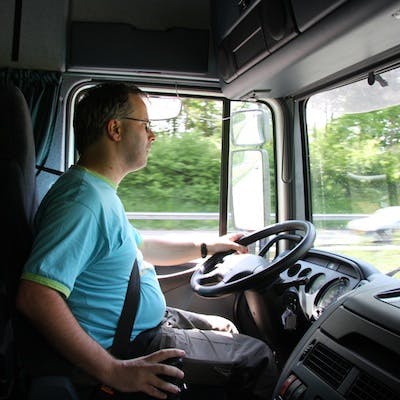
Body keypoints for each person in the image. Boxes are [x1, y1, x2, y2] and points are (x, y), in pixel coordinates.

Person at [16, 82, 278, 400]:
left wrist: (208, 247)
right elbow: (36, 295)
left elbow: (140, 248)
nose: (152, 135)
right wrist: (114, 370)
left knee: (227, 328)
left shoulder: (98, 191)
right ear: (115, 129)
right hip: (130, 347)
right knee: (259, 358)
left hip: (145, 327)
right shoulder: (82, 203)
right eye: (145, 125)